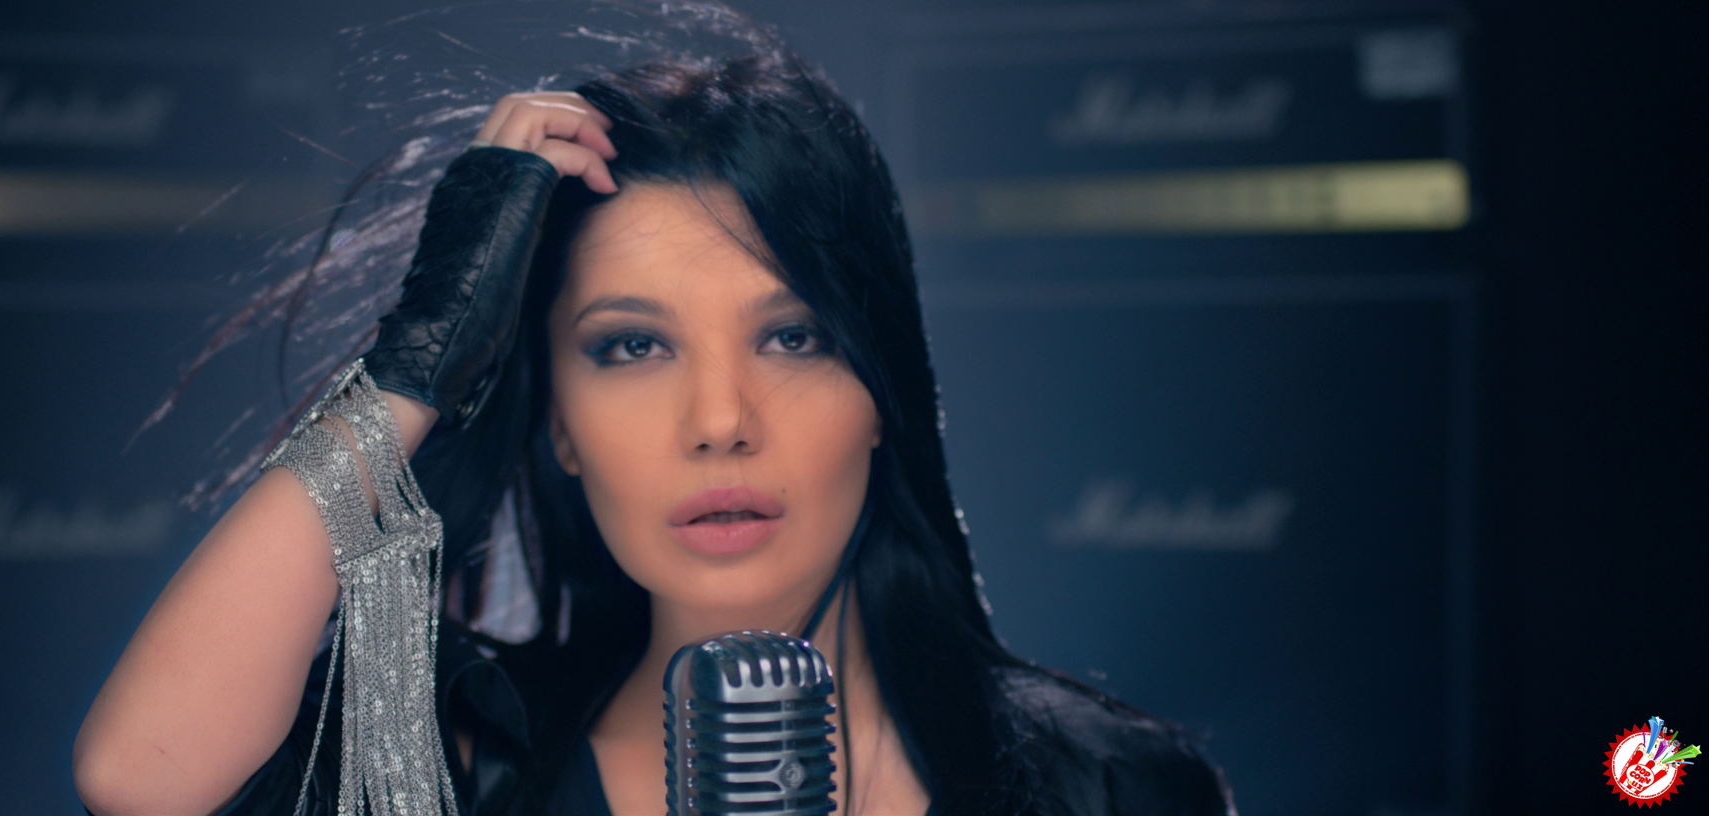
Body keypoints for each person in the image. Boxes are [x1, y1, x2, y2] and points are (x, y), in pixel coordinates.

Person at [73, 15, 1235, 816]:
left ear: (881, 394)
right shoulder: (461, 770)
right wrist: (417, 358)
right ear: (562, 426)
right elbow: (143, 778)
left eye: (793, 337)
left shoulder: (1109, 786)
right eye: (631, 346)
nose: (720, 421)